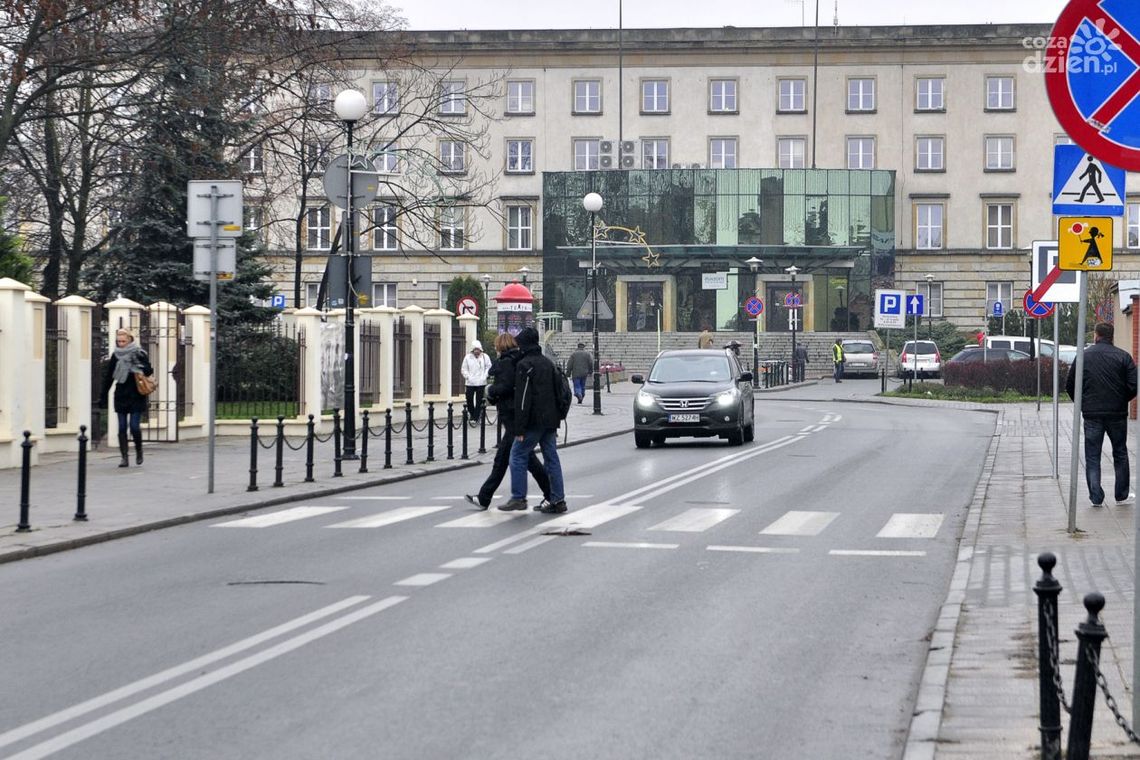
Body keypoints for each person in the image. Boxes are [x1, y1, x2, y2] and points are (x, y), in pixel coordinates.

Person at [465, 332, 553, 511]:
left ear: (500, 346)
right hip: (515, 417)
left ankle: (542, 496)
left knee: (518, 459)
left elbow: (506, 387)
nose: (495, 348)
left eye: (497, 345)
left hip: (513, 418)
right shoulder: (516, 361)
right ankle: (486, 497)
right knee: (513, 459)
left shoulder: (506, 363)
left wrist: (491, 391)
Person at [1065, 322, 1138, 507]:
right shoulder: (1124, 357)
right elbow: (1134, 386)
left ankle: (1096, 497)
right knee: (1120, 453)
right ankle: (1121, 495)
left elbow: (1070, 384)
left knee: (1092, 455)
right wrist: (1122, 400)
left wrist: (1083, 402)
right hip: (1117, 414)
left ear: (1097, 336)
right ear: (1111, 336)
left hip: (1092, 414)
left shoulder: (1083, 356)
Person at [500, 327, 566, 514]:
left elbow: (523, 400)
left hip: (534, 421)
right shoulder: (548, 363)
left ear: (524, 345)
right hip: (551, 421)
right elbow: (558, 392)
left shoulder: (525, 366)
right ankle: (558, 499)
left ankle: (518, 497)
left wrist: (519, 428)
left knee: (517, 455)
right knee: (552, 458)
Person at [100, 329, 155, 468]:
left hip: (137, 393)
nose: (121, 344)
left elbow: (149, 371)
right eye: (119, 341)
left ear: (130, 340)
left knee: (134, 427)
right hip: (121, 394)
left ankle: (139, 451)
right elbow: (109, 377)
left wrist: (139, 363)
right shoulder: (116, 355)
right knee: (122, 427)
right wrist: (103, 396)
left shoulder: (139, 352)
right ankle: (124, 457)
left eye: (123, 341)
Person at [460, 339, 492, 425]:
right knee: (469, 398)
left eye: (478, 349)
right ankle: (472, 413)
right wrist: (468, 377)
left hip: (481, 382)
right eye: (475, 349)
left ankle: (476, 417)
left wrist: (485, 376)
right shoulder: (467, 357)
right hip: (470, 382)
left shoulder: (485, 357)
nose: (477, 351)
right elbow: (464, 369)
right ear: (473, 350)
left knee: (479, 401)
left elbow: (488, 367)